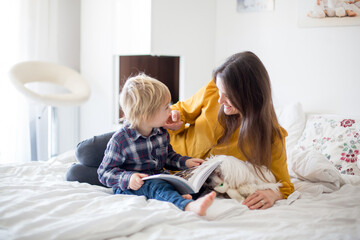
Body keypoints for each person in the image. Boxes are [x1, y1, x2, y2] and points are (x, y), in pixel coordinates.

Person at [66, 51, 294, 210]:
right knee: (84, 153)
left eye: (228, 94)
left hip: (172, 170)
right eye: (220, 91)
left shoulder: (272, 137)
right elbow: (181, 109)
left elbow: (285, 183)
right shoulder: (214, 91)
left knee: (76, 174)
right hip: (154, 140)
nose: (221, 99)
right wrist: (176, 116)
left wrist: (273, 194)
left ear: (249, 94)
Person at [97, 73, 216, 216]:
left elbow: (168, 157)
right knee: (157, 186)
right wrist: (128, 178)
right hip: (131, 186)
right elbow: (104, 173)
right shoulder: (120, 141)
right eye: (166, 107)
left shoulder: (160, 132)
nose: (171, 110)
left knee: (191, 185)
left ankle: (179, 198)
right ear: (146, 115)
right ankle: (187, 206)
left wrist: (186, 162)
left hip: (159, 177)